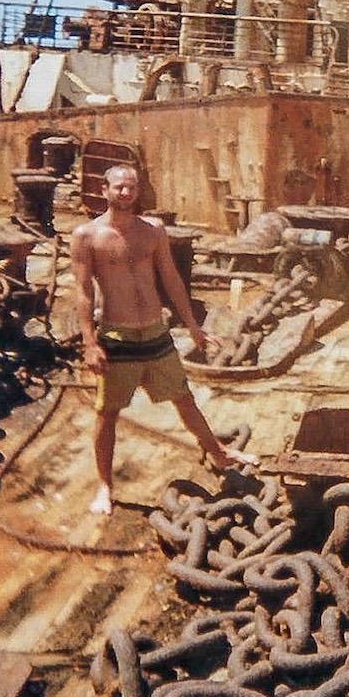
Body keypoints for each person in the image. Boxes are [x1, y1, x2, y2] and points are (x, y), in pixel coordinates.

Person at [71, 164, 253, 515]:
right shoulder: (87, 236)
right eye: (119, 187)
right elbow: (82, 293)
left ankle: (219, 454)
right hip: (117, 336)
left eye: (132, 187)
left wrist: (193, 327)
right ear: (104, 189)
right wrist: (90, 343)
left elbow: (171, 279)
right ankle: (105, 487)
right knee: (107, 413)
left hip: (155, 332)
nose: (126, 193)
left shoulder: (153, 230)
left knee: (184, 399)